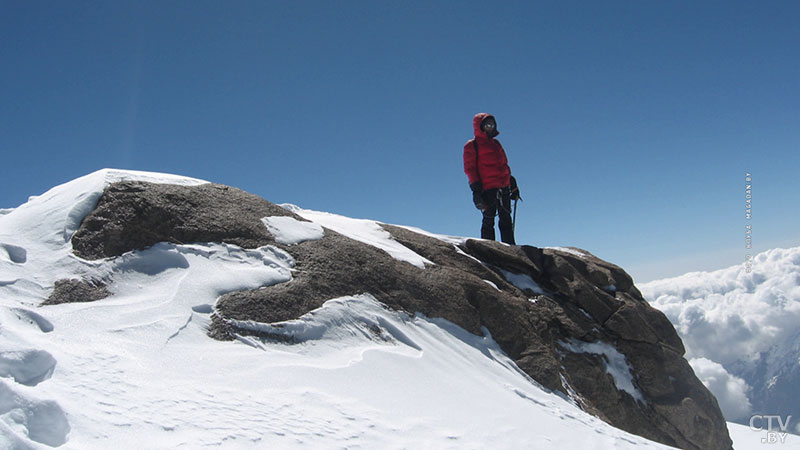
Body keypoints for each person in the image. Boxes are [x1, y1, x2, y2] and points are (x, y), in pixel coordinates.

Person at [463, 113, 520, 245]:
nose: (490, 127)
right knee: (488, 219)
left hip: (503, 186)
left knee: (506, 219)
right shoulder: (472, 145)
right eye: (487, 124)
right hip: (487, 188)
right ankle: (489, 250)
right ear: (480, 126)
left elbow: (504, 164)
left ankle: (510, 248)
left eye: (492, 124)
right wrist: (476, 191)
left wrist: (512, 183)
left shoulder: (496, 144)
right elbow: (470, 169)